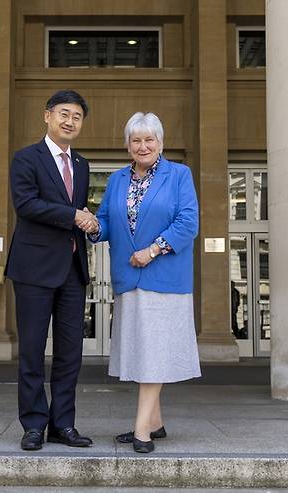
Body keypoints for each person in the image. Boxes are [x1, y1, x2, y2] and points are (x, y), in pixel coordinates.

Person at [89, 112, 200, 453]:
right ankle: (156, 421)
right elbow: (107, 222)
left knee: (153, 355)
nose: (143, 146)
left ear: (161, 143)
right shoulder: (117, 180)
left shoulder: (179, 175)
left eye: (149, 139)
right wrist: (91, 226)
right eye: (136, 140)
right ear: (127, 145)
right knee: (142, 352)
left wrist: (152, 250)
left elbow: (188, 222)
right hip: (129, 279)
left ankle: (142, 430)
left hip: (164, 279)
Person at [4, 90, 99, 451]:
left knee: (70, 354)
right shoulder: (26, 158)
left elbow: (77, 208)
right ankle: (32, 424)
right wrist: (74, 215)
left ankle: (63, 424)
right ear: (47, 116)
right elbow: (27, 204)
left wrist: (88, 221)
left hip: (73, 271)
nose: (70, 121)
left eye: (76, 116)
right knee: (31, 351)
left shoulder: (83, 164)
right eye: (64, 113)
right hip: (33, 269)